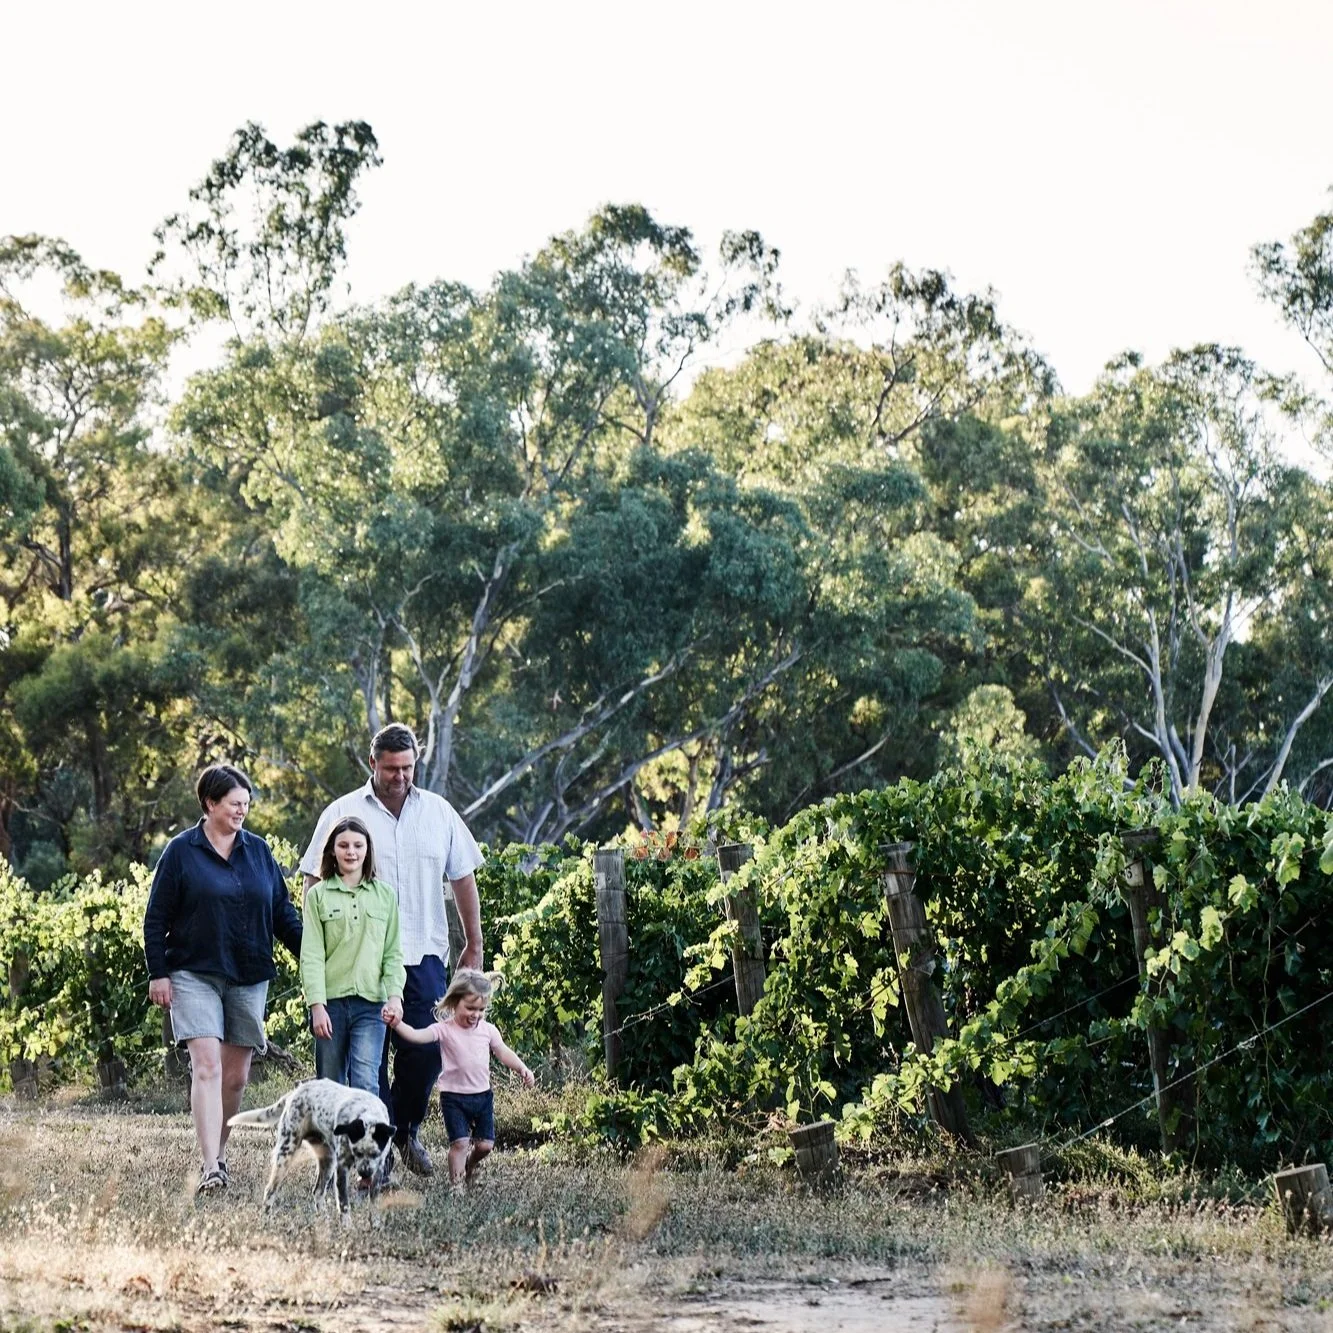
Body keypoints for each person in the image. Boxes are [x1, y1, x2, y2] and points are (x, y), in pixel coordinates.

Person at [301, 723, 484, 1180]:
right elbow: (311, 881)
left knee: (425, 1055)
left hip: (422, 955)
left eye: (407, 767)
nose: (400, 776)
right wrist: (320, 952)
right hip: (357, 963)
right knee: (368, 1063)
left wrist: (474, 943)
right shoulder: (342, 812)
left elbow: (463, 877)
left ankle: (403, 1130)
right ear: (373, 764)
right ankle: (374, 1154)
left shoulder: (439, 813)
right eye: (391, 768)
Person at [143, 764, 303, 1196]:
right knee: (207, 1066)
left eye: (246, 804)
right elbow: (155, 918)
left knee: (236, 1079)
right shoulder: (180, 851)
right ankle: (211, 1165)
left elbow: (282, 914)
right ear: (210, 803)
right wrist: (158, 973)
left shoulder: (259, 852)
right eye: (234, 803)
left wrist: (315, 958)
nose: (242, 810)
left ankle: (220, 1151)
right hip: (193, 972)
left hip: (249, 973)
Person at [387, 968, 533, 1190]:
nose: (476, 1014)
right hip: (453, 1098)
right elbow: (417, 1036)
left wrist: (522, 1068)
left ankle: (470, 1165)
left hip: (483, 1097)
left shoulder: (488, 1030)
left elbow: (503, 1051)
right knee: (460, 1143)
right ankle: (457, 1187)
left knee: (485, 1145)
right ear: (455, 1002)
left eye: (481, 1009)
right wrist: (397, 1024)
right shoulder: (444, 1030)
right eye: (470, 1008)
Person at [301, 816, 406, 1094]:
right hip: (330, 1005)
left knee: (366, 1083)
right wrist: (316, 1006)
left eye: (358, 845)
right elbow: (311, 955)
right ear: (332, 851)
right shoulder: (318, 895)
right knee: (330, 1085)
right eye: (344, 845)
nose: (351, 851)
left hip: (372, 1005)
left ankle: (365, 1140)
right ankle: (331, 1139)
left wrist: (395, 997)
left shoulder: (385, 896)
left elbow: (393, 953)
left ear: (368, 850)